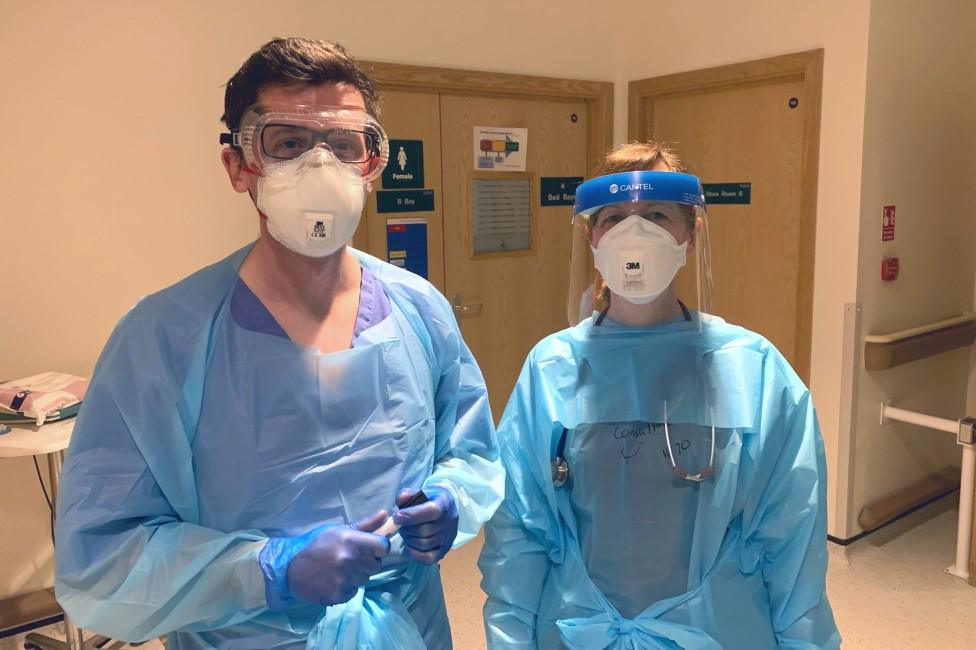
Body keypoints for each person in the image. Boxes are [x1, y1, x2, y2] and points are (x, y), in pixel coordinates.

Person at [55, 37, 503, 650]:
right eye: (287, 143)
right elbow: (103, 558)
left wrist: (449, 499)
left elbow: (471, 452)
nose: (319, 168)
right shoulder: (167, 338)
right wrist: (269, 569)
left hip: (409, 629)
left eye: (343, 146)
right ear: (239, 165)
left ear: (371, 164)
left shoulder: (417, 310)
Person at [479, 142, 840, 649]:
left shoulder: (751, 368)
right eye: (614, 218)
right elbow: (519, 533)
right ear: (591, 235)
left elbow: (794, 541)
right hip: (580, 633)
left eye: (656, 214)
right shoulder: (553, 367)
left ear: (691, 234)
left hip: (721, 633)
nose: (635, 234)